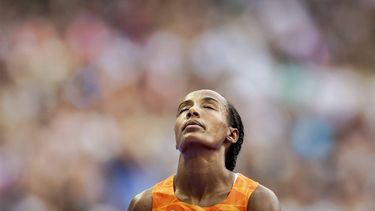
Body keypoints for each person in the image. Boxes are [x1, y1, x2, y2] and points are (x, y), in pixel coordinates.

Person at [128, 89, 281, 211]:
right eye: (183, 109)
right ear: (176, 136)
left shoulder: (257, 200)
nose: (192, 111)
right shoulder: (146, 204)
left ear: (232, 134)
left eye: (208, 106)